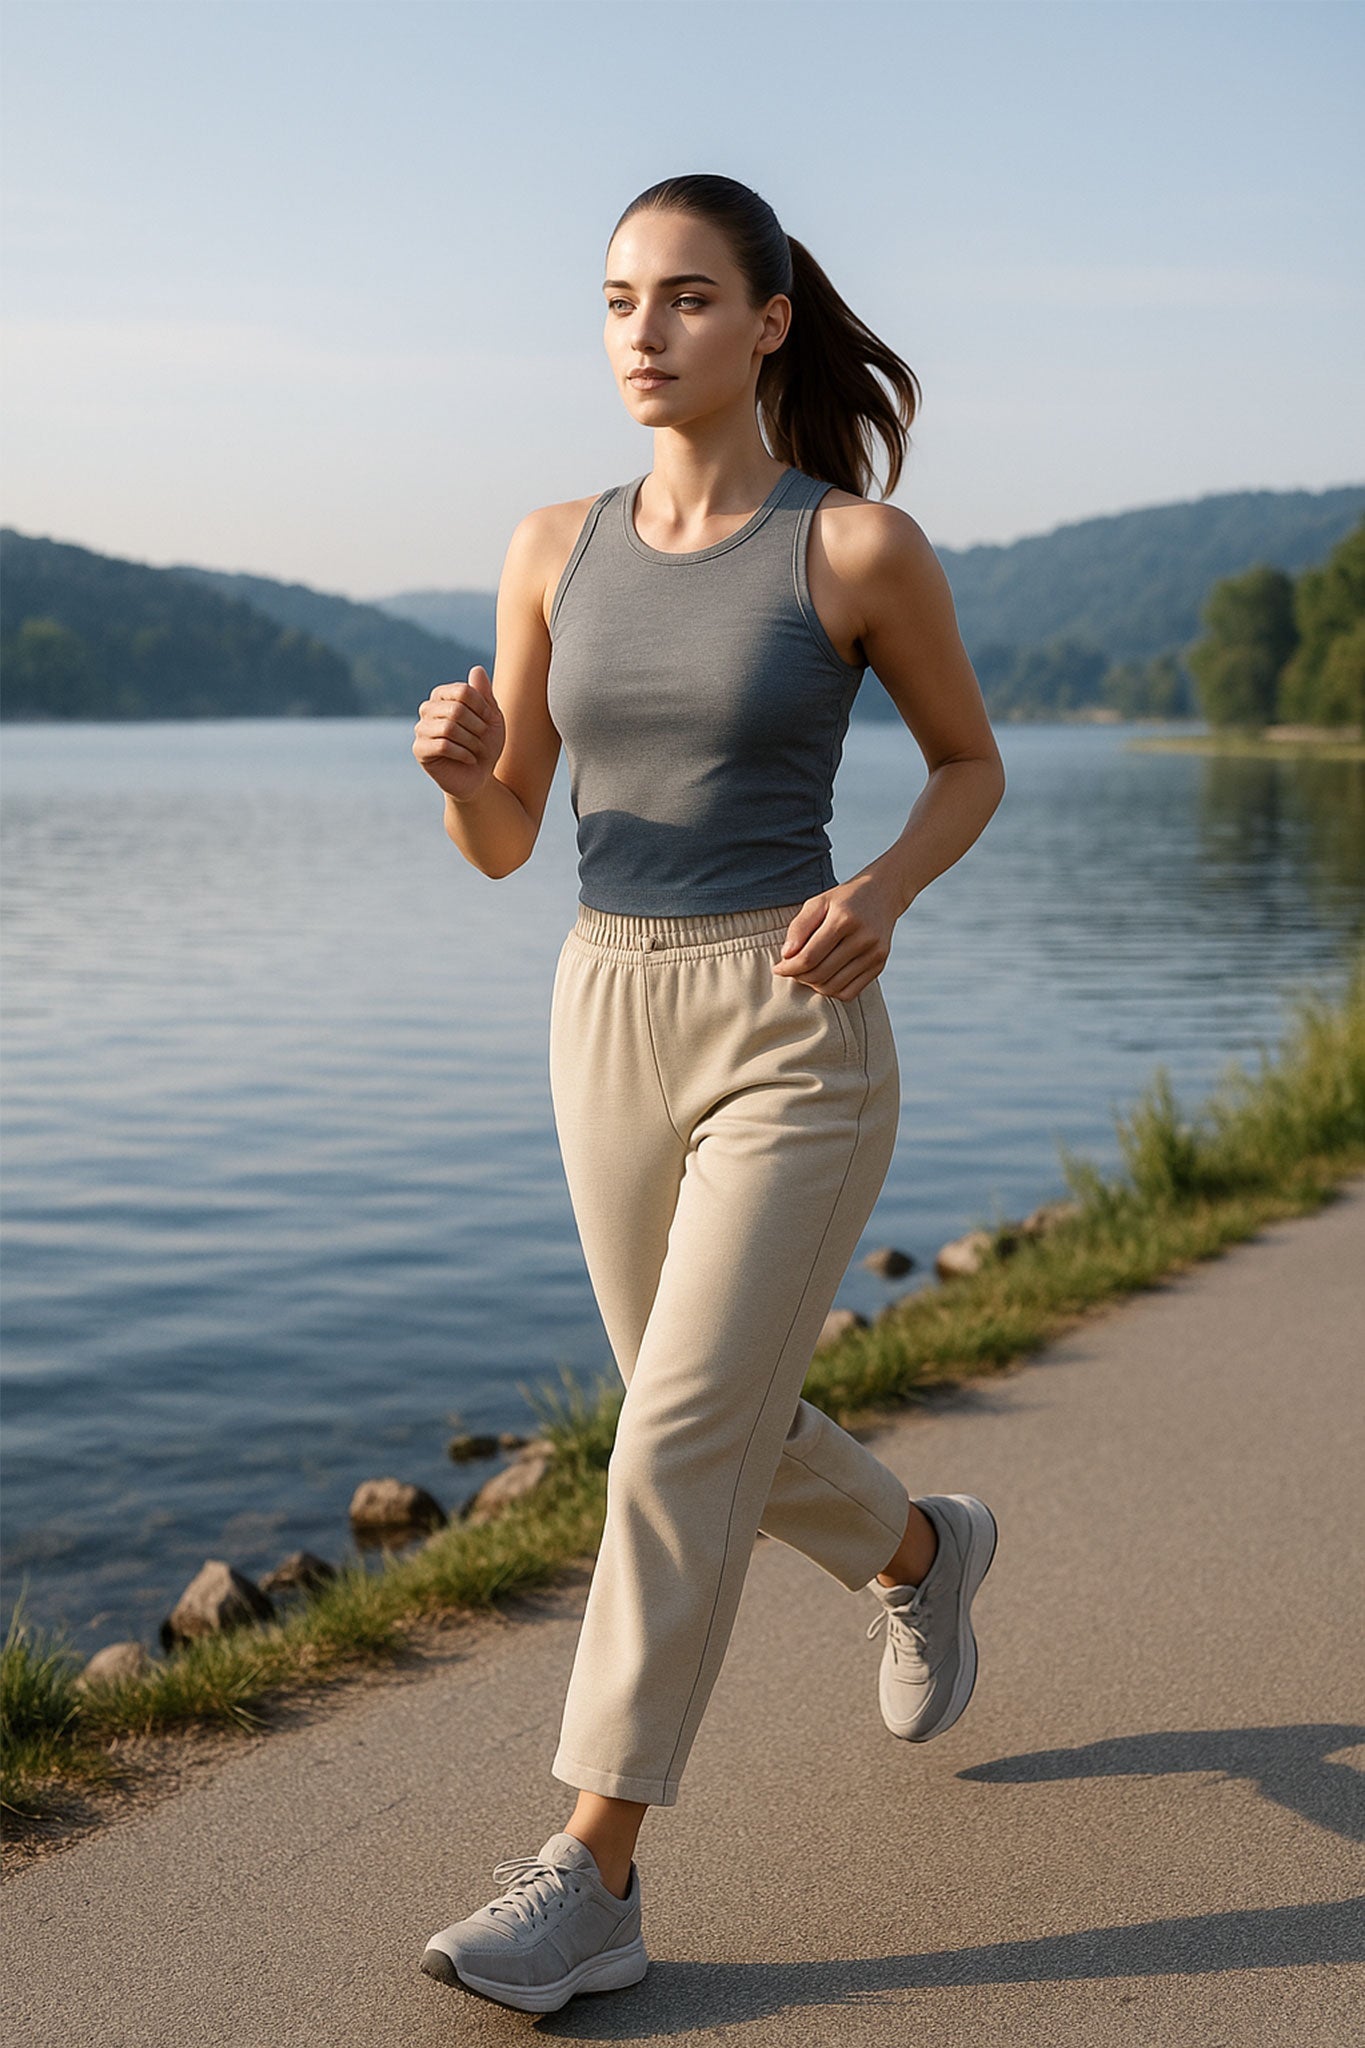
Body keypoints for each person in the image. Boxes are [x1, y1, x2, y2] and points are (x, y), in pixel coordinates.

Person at [410, 172, 1006, 2016]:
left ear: (764, 324)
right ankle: (922, 1550)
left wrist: (881, 893)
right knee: (704, 1421)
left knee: (672, 1442)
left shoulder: (856, 551)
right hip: (603, 1004)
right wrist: (454, 770)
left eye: (679, 301)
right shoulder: (545, 547)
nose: (640, 335)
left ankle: (592, 1874)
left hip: (788, 1019)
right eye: (613, 304)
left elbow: (968, 766)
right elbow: (512, 845)